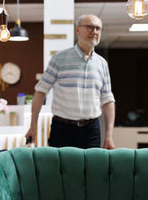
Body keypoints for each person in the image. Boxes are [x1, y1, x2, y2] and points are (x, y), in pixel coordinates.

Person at [25, 14, 116, 149]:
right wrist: (33, 126)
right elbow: (40, 92)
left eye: (98, 28)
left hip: (92, 131)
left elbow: (108, 100)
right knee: (60, 170)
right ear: (78, 30)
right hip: (62, 130)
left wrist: (109, 136)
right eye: (90, 27)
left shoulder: (102, 63)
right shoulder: (59, 59)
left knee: (91, 170)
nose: (94, 32)